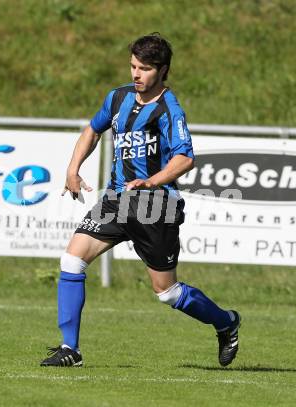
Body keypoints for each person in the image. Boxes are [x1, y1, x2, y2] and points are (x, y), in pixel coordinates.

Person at [40, 33, 240, 368]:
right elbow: (92, 130)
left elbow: (184, 159)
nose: (136, 74)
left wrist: (152, 180)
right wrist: (73, 168)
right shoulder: (117, 98)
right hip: (117, 199)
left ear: (163, 71)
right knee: (72, 261)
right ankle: (69, 349)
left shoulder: (168, 109)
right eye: (133, 65)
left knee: (167, 293)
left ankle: (226, 322)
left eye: (145, 68)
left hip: (156, 205)